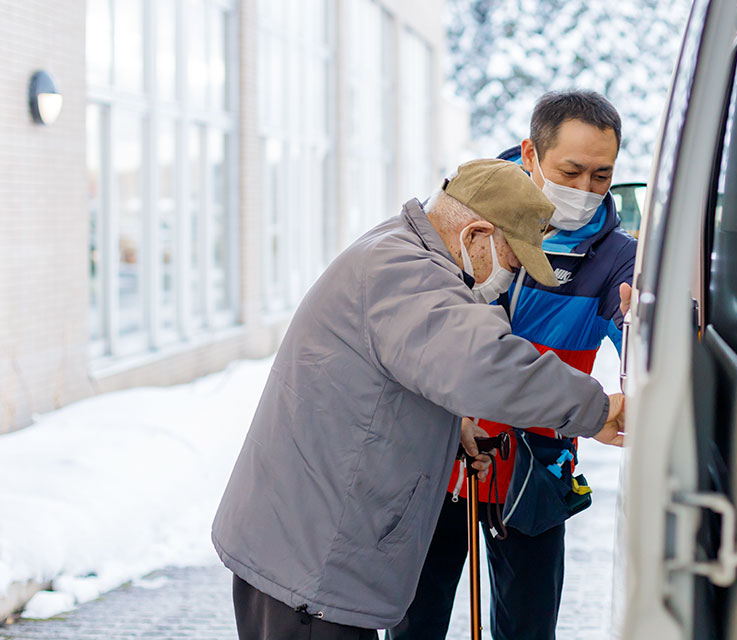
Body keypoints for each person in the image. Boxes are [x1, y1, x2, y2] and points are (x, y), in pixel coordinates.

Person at [212, 158, 626, 640]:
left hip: (306, 549)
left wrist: (454, 430)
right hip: (313, 570)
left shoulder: (397, 248)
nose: (508, 281)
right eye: (512, 263)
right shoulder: (409, 274)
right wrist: (598, 410)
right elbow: (485, 364)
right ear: (476, 235)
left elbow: (388, 382)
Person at [391, 91, 636, 640]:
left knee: (527, 630)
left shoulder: (616, 257)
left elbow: (640, 353)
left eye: (602, 175)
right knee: (411, 625)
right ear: (530, 152)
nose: (585, 190)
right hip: (439, 463)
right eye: (570, 171)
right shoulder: (467, 214)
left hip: (535, 471)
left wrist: (647, 323)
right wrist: (449, 416)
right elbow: (415, 340)